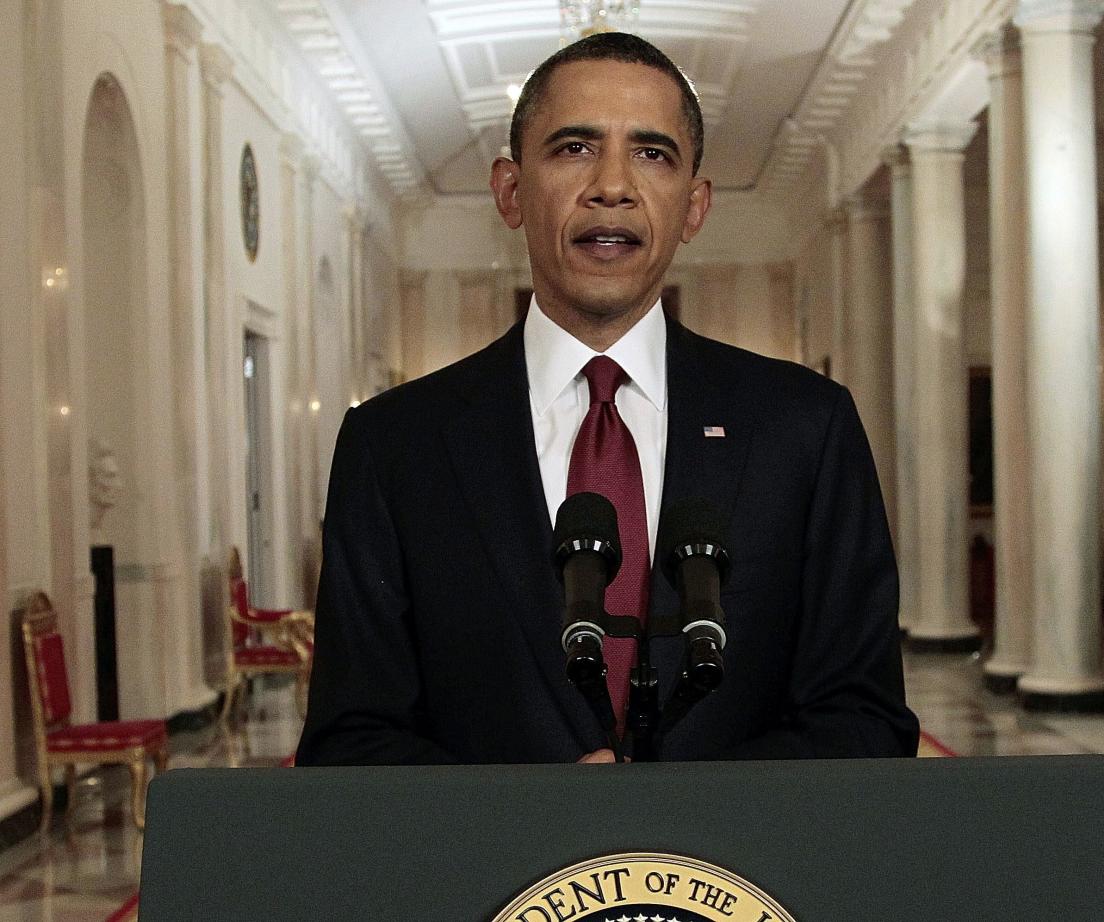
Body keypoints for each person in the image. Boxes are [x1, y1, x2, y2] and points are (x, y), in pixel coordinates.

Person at [296, 32, 918, 766]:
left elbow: (863, 719)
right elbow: (350, 737)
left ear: (693, 206)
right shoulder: (393, 445)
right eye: (573, 148)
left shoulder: (806, 428)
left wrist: (668, 821)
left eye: (652, 154)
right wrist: (535, 817)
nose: (612, 186)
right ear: (509, 190)